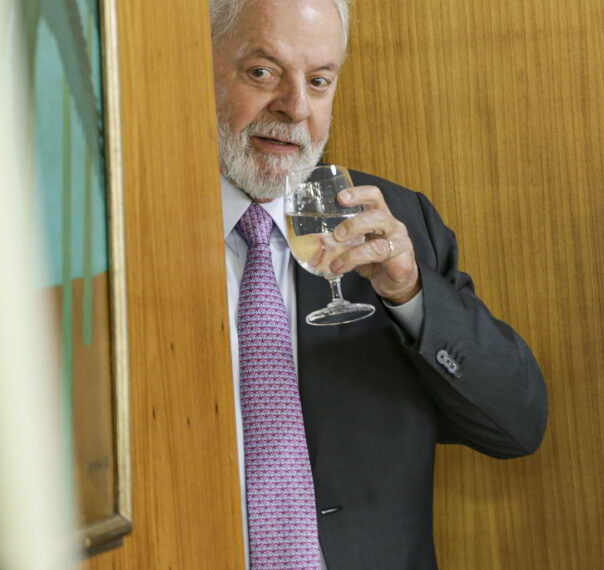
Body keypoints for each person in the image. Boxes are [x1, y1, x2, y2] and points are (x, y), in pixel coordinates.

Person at [209, 0, 548, 568]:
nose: (295, 108)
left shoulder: (392, 223)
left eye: (319, 81)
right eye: (262, 72)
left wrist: (410, 293)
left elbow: (517, 426)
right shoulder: (120, 233)